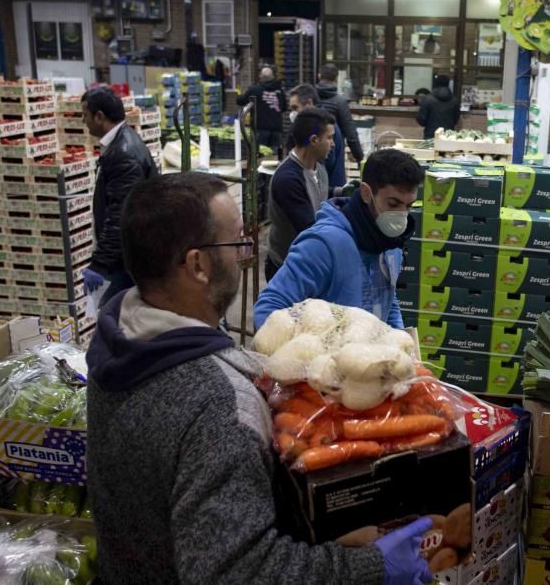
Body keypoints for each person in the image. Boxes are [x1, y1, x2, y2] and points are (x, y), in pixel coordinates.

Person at [86, 171, 432, 585]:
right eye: (238, 243)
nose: (247, 254)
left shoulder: (118, 340)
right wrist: (371, 567)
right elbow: (238, 572)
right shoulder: (217, 404)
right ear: (198, 264)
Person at [254, 148, 424, 330]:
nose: (401, 215)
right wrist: (312, 352)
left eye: (409, 206)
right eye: (393, 204)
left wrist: (398, 338)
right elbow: (268, 309)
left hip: (370, 354)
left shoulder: (391, 241)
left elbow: (385, 297)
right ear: (366, 193)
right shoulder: (323, 245)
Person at [81, 86, 158, 304]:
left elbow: (119, 215)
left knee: (115, 321)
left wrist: (100, 264)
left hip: (123, 262)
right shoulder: (122, 142)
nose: (83, 121)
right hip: (125, 256)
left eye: (85, 115)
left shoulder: (123, 153)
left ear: (99, 116)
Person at [267, 108, 333, 282]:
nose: (332, 144)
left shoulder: (318, 168)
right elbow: (309, 227)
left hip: (309, 263)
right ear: (314, 140)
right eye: (329, 138)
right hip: (287, 269)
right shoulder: (287, 179)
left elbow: (320, 197)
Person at [290, 83, 347, 190]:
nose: (293, 113)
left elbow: (320, 166)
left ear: (309, 103)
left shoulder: (323, 128)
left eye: (295, 108)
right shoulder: (318, 125)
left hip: (328, 193)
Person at [317, 63, 364, 163]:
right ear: (336, 79)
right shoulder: (339, 102)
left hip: (312, 153)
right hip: (333, 153)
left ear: (319, 76)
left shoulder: (310, 99)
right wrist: (360, 158)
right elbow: (351, 134)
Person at [237, 66, 287, 157]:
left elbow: (241, 101)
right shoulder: (280, 90)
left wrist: (238, 94)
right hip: (276, 130)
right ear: (273, 77)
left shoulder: (255, 90)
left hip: (261, 129)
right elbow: (284, 108)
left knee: (261, 155)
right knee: (274, 156)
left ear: (261, 77)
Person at [416, 74, 461, 140]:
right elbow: (456, 120)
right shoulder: (454, 100)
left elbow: (421, 119)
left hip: (430, 135)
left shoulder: (428, 99)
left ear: (435, 83)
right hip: (448, 136)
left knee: (430, 150)